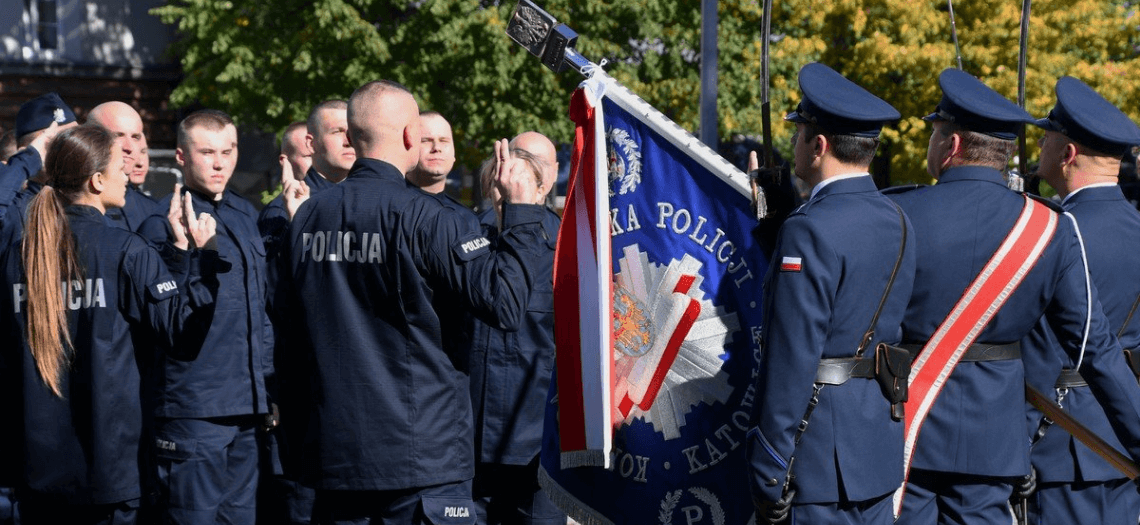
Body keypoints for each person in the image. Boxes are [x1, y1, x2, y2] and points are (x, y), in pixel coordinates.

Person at [285, 79, 547, 524]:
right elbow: (505, 305)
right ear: (410, 136)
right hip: (422, 459)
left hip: (335, 456)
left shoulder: (309, 214)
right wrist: (521, 215)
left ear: (352, 136)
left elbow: (290, 331)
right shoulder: (429, 216)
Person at [888, 68, 1140, 525]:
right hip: (997, 438)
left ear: (953, 146)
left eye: (935, 134)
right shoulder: (1049, 228)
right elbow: (1096, 351)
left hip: (907, 426)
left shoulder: (898, 214)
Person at [0, 124, 221, 525]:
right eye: (121, 164)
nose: (131, 169)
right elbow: (183, 336)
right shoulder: (123, 249)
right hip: (111, 472)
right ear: (96, 180)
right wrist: (203, 262)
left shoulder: (19, 254)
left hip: (34, 471)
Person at [744, 63, 915, 524]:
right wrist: (782, 221)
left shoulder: (808, 230)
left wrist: (769, 465)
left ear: (818, 146)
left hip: (816, 459)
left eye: (799, 133)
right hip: (875, 448)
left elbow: (792, 356)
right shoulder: (898, 219)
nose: (793, 144)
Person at [137, 109, 276, 525]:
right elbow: (164, 318)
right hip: (194, 412)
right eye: (207, 152)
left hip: (248, 409)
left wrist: (267, 387)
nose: (220, 163)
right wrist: (185, 253)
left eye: (228, 151)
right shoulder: (162, 225)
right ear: (181, 156)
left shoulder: (245, 216)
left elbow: (261, 310)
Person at [1020, 77, 1140, 524]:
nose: (1039, 148)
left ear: (1068, 154)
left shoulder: (1050, 233)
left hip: (1060, 441)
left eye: (1046, 138)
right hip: (1123, 441)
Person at [468, 131, 565, 525]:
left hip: (538, 447)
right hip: (468, 445)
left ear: (543, 189)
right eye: (502, 179)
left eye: (521, 181)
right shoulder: (466, 238)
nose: (509, 188)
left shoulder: (569, 247)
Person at [0, 93, 77, 227]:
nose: (73, 149)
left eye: (77, 138)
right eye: (58, 143)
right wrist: (28, 159)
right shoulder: (16, 211)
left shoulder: (95, 200)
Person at [86, 101, 159, 231]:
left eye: (135, 137)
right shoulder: (61, 205)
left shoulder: (153, 211)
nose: (129, 148)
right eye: (118, 136)